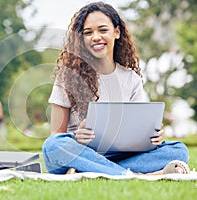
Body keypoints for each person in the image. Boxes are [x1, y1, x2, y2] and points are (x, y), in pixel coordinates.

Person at [42, 2, 190, 175]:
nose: (95, 37)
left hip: (120, 155)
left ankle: (96, 171)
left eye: (103, 30)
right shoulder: (67, 77)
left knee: (179, 150)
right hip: (79, 153)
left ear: (117, 32)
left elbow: (140, 128)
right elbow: (56, 135)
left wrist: (152, 137)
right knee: (53, 146)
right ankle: (131, 174)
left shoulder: (131, 79)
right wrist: (77, 138)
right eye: (88, 32)